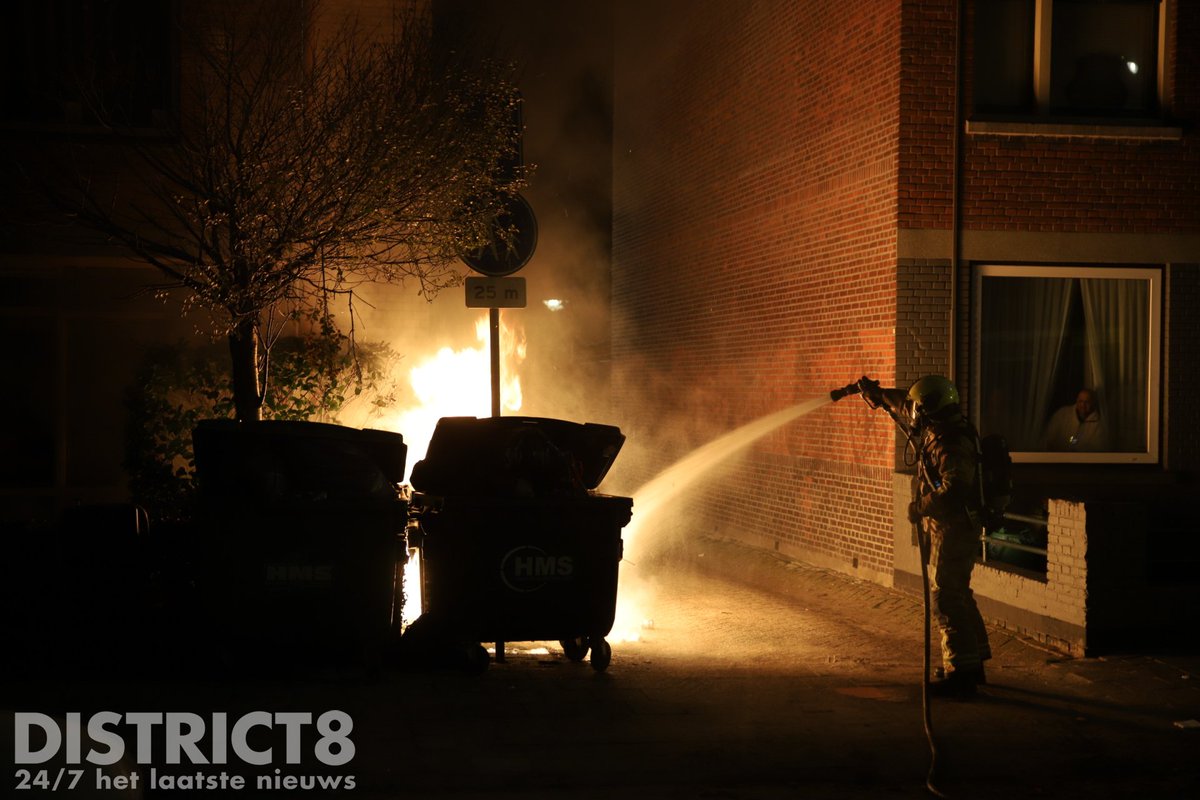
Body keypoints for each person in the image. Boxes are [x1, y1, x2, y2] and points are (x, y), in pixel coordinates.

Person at [864, 375, 991, 698]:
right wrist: (879, 394)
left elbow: (954, 489)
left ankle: (962, 676)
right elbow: (904, 405)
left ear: (930, 409)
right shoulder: (942, 424)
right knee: (958, 592)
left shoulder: (950, 442)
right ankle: (972, 662)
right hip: (950, 527)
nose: (914, 413)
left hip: (955, 528)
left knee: (946, 596)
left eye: (919, 408)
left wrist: (919, 507)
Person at [1043, 388, 1108, 452]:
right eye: (1080, 401)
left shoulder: (1098, 424)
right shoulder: (1063, 415)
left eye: (1087, 402)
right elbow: (1050, 437)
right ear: (1076, 401)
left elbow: (1098, 447)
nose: (1083, 405)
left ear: (1093, 403)